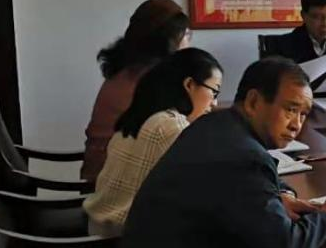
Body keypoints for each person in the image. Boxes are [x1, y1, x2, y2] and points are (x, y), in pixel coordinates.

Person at [113, 57, 326, 248]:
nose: (296, 124)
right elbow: (283, 245)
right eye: (290, 109)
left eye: (303, 114)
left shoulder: (214, 126)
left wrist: (281, 196)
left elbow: (258, 183)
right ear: (253, 102)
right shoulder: (243, 156)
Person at [83, 48, 223, 237]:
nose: (215, 103)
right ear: (189, 85)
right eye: (214, 92)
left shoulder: (143, 114)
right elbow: (205, 186)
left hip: (101, 226)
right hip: (122, 239)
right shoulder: (170, 125)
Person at [83, 0, 190, 182]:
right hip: (114, 177)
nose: (189, 42)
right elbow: (178, 127)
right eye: (186, 35)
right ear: (169, 41)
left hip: (100, 166)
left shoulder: (125, 69)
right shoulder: (150, 79)